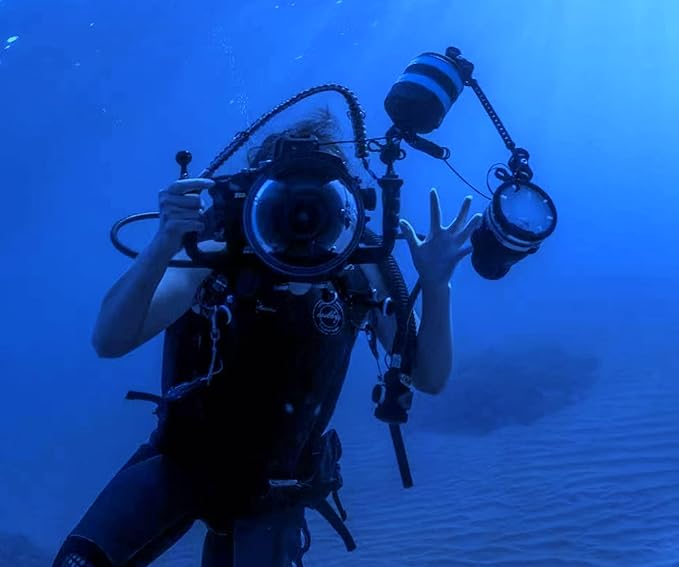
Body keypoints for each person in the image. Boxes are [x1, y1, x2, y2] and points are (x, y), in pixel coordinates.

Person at [51, 111, 482, 567]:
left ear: (346, 204)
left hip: (276, 491)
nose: (302, 218)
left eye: (319, 198)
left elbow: (428, 377)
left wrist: (436, 286)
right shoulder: (213, 258)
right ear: (255, 196)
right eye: (285, 198)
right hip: (179, 464)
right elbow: (110, 340)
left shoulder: (360, 273)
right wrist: (164, 242)